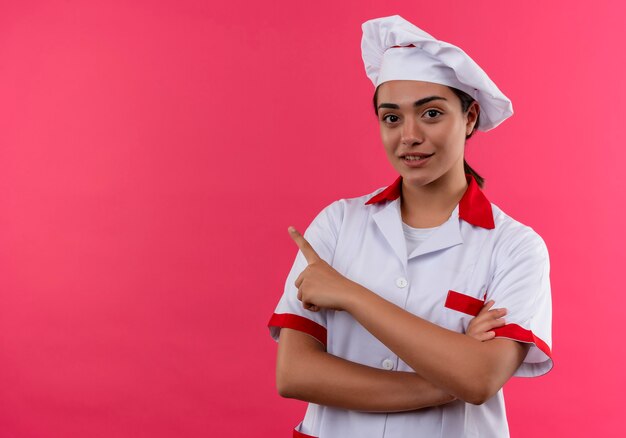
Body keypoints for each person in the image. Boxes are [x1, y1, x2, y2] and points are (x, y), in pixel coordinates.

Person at [267, 15, 552, 438]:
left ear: (470, 117)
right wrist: (447, 377)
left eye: (431, 113)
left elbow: (479, 380)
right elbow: (295, 374)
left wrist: (349, 294)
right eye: (392, 118)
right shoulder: (338, 223)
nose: (409, 136)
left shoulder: (514, 246)